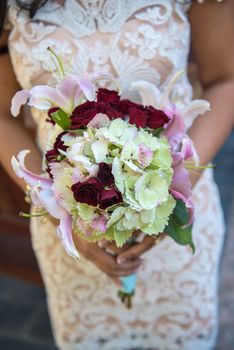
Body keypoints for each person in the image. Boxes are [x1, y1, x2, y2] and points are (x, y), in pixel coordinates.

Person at [0, 0, 233, 349]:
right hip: (70, 228)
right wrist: (61, 215)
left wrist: (171, 195)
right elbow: (2, 114)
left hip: (176, 221)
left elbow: (226, 80)